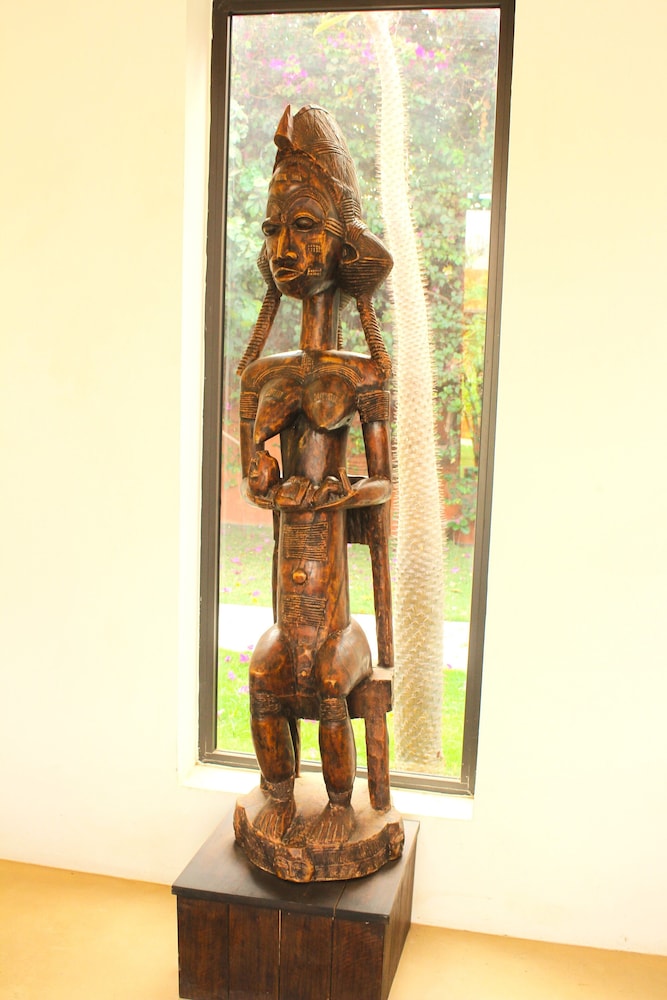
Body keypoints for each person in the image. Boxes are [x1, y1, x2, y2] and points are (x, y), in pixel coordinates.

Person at [237, 105, 393, 844]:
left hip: (334, 624)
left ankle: (337, 808)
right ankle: (277, 798)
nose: (285, 247)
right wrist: (264, 474)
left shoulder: (362, 373)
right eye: (274, 230)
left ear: (343, 243)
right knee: (264, 674)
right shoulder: (264, 374)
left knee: (331, 678)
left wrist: (339, 494)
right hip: (286, 616)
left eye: (304, 226)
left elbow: (384, 483)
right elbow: (253, 477)